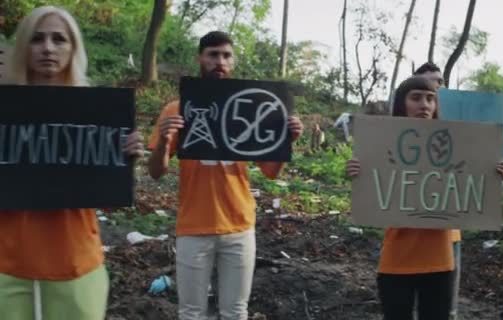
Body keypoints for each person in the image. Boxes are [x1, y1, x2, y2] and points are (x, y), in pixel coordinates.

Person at [0, 6, 144, 320]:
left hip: (75, 262)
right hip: (6, 264)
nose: (48, 48)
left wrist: (124, 160)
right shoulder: (4, 110)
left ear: (73, 48)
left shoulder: (97, 114)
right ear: (23, 46)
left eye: (58, 39)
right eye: (37, 39)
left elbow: (100, 190)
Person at [147, 31, 303, 320]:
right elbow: (155, 172)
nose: (219, 61)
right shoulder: (176, 109)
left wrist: (285, 142)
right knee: (192, 312)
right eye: (213, 54)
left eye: (226, 55)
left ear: (233, 62)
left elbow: (270, 172)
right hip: (193, 226)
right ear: (200, 58)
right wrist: (166, 142)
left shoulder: (248, 107)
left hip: (239, 226)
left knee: (235, 311)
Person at [346, 76, 503, 320]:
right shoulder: (381, 142)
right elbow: (375, 193)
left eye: (430, 98)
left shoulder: (456, 144)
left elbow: (472, 187)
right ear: (402, 103)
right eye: (416, 98)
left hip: (440, 259)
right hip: (397, 258)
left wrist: (493, 174)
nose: (425, 104)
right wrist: (357, 173)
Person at [413, 62, 503, 319]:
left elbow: (477, 171)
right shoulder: (399, 131)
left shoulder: (461, 127)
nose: (434, 88)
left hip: (448, 232)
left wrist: (502, 153)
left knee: (446, 306)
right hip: (409, 231)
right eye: (425, 84)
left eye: (438, 82)